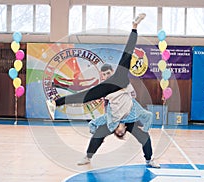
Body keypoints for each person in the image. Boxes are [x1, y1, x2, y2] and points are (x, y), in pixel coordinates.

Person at [46, 13, 160, 168]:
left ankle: (88, 155)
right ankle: (134, 27)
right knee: (126, 57)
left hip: (114, 87)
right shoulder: (133, 118)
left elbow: (96, 127)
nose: (119, 131)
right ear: (124, 130)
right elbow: (146, 116)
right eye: (121, 133)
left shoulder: (110, 122)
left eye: (117, 133)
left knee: (87, 101)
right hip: (118, 83)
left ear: (115, 130)